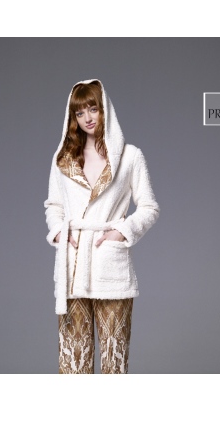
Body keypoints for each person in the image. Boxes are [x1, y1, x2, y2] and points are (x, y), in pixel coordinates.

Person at [44, 79, 160, 374]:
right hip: (72, 266)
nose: (88, 118)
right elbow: (54, 206)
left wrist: (121, 232)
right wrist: (59, 232)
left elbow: (149, 207)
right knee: (73, 361)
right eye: (80, 112)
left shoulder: (130, 157)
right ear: (73, 117)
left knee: (114, 361)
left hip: (110, 266)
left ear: (104, 108)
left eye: (93, 109)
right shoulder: (63, 159)